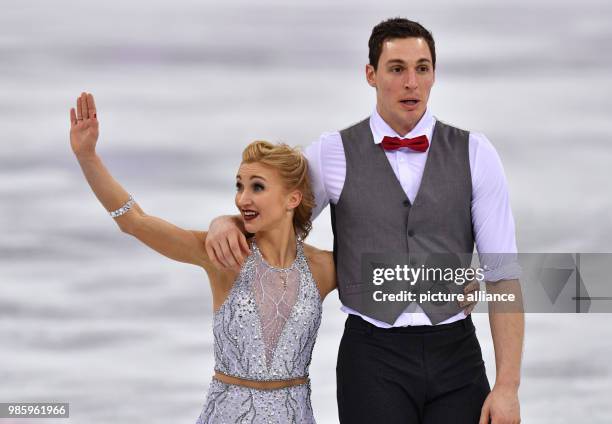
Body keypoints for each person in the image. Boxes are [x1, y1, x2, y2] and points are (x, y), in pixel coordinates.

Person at [69, 92, 480, 423]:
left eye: (257, 187)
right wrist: (89, 158)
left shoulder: (322, 268)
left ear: (292, 199)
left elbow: (392, 278)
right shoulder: (223, 257)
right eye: (239, 185)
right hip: (227, 414)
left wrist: (461, 282)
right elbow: (135, 222)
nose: (242, 198)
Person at [205, 18, 524, 424]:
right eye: (397, 69)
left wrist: (507, 387)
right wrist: (227, 222)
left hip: (457, 356)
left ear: (433, 75)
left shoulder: (476, 153)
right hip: (372, 359)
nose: (411, 82)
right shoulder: (333, 153)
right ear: (371, 74)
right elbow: (275, 220)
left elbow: (503, 274)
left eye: (422, 68)